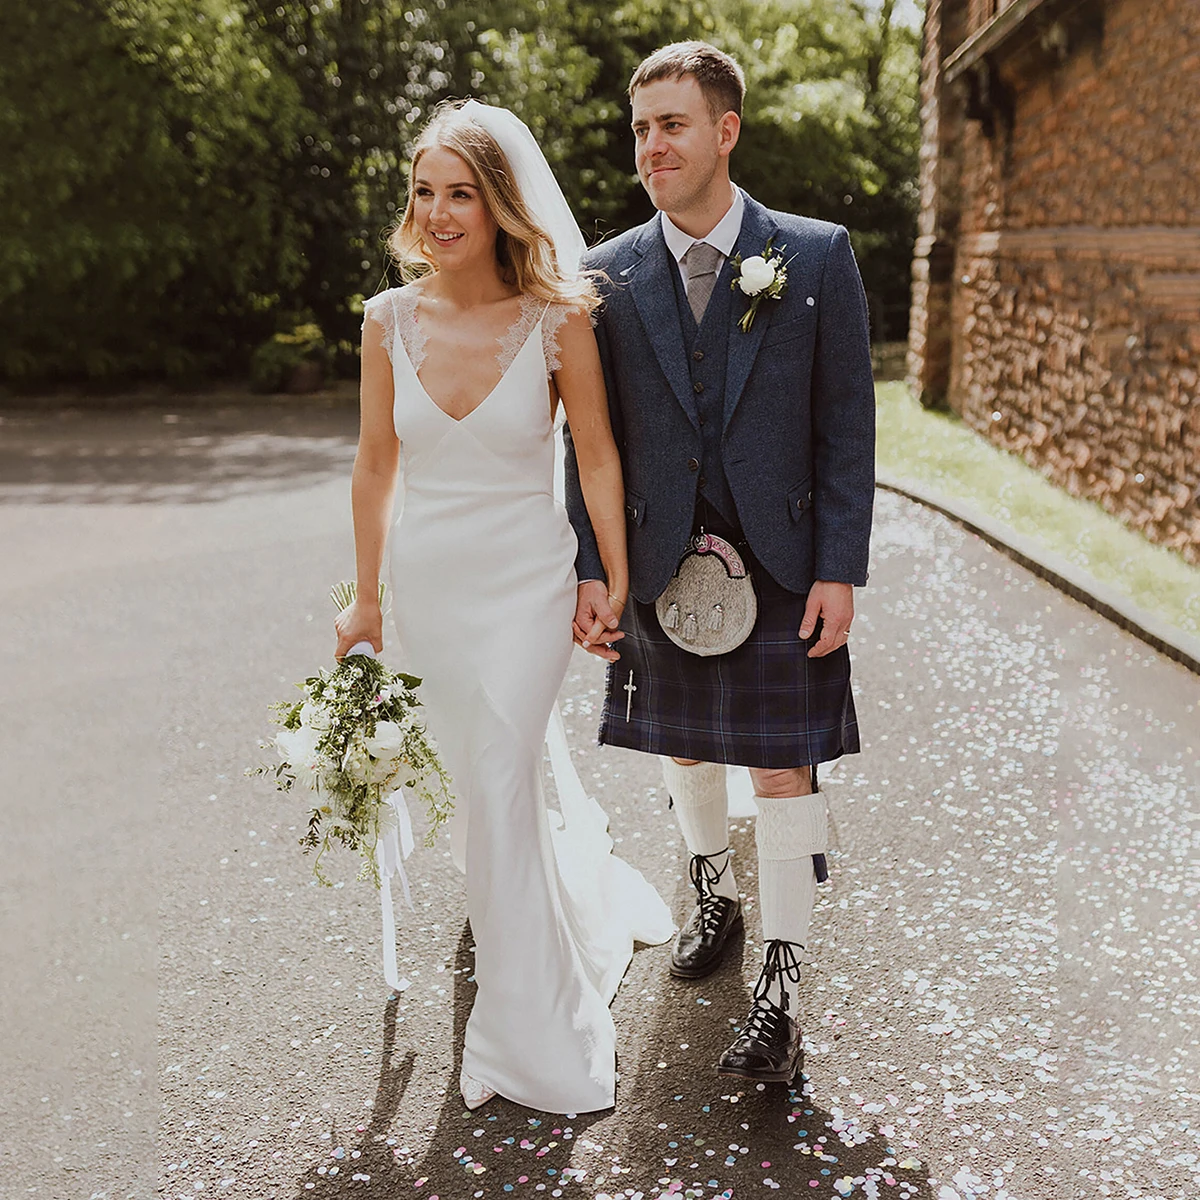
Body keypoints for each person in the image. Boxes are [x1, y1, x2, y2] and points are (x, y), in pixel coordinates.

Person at [335, 99, 673, 1114]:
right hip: (433, 589)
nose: (439, 213)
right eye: (426, 193)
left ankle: (532, 1041)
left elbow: (600, 454)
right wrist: (364, 603)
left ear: (500, 205)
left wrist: (611, 577)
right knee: (486, 801)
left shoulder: (557, 317)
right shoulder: (386, 322)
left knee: (495, 768)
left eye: (461, 193)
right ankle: (550, 911)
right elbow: (372, 465)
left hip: (527, 585)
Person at [565, 42, 875, 1085]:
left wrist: (839, 566)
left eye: (674, 124)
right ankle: (711, 892)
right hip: (658, 563)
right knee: (687, 751)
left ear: (725, 131)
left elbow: (846, 424)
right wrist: (593, 569)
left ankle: (780, 988)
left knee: (782, 767)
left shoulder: (818, 255)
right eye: (642, 126)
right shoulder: (605, 274)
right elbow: (590, 442)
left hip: (784, 560)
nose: (652, 145)